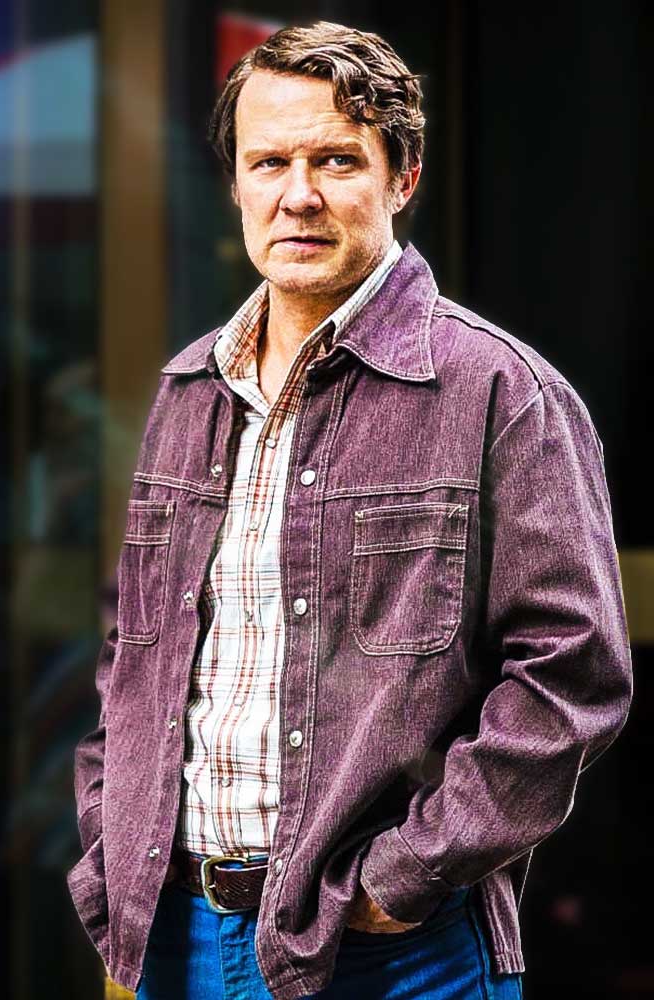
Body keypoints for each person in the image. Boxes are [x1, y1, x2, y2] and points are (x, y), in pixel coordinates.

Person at [66, 20, 632, 1000]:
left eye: (335, 159)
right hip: (167, 937)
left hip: (388, 952)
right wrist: (108, 842)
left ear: (401, 177)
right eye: (268, 162)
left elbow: (570, 675)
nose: (297, 194)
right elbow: (135, 650)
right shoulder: (189, 389)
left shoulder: (497, 390)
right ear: (236, 184)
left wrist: (401, 881)